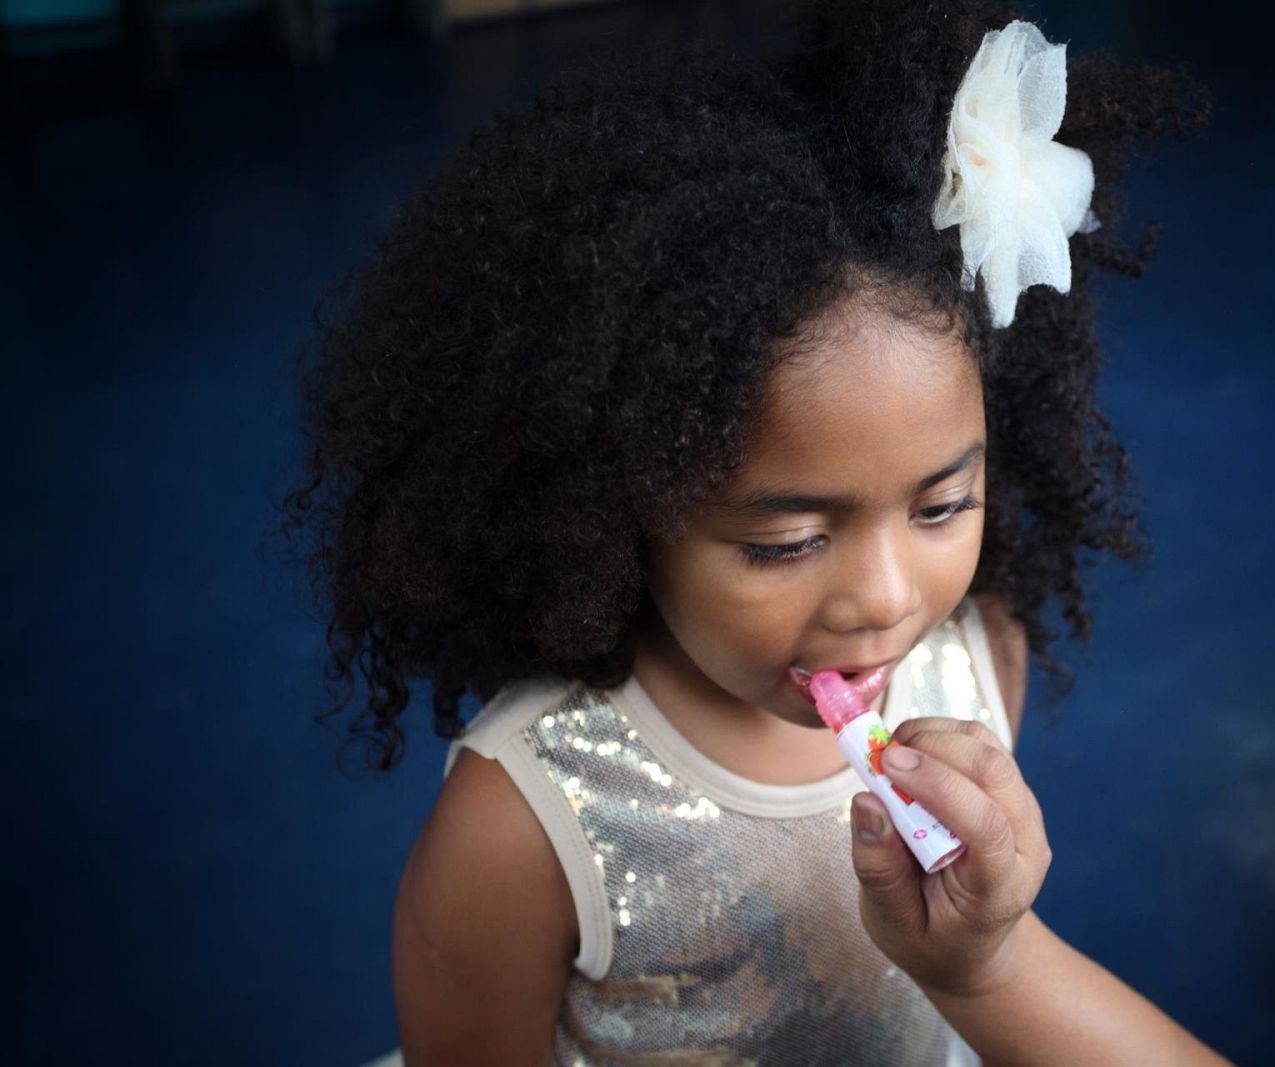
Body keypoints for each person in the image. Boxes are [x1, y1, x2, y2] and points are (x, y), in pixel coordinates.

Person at [284, 1, 1222, 1062]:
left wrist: (993, 948)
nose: (883, 597)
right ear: (613, 511)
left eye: (941, 505)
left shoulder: (978, 656)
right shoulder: (523, 824)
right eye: (783, 541)